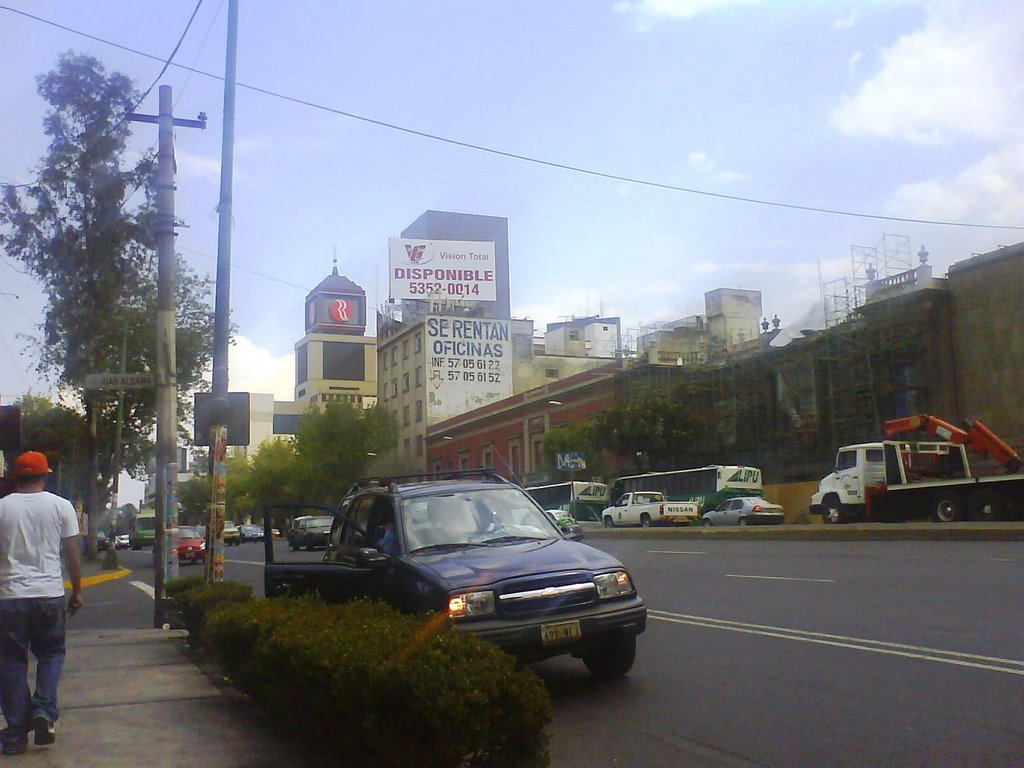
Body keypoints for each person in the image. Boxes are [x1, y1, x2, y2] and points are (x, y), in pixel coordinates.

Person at [0, 451, 82, 755]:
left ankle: (15, 735)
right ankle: (44, 712)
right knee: (51, 652)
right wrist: (78, 590)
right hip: (49, 594)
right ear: (46, 475)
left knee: (10, 663)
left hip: (9, 598)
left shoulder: (2, 509)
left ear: (15, 477)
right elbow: (72, 553)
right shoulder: (61, 507)